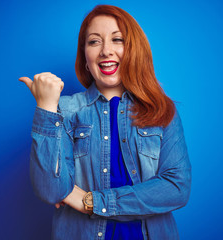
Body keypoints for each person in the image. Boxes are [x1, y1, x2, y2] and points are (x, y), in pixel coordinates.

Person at [19, 4, 191, 240]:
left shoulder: (162, 109)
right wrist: (46, 107)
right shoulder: (66, 111)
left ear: (133, 49)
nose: (106, 51)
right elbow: (50, 190)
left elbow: (176, 188)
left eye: (117, 40)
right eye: (94, 41)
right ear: (85, 55)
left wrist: (91, 202)